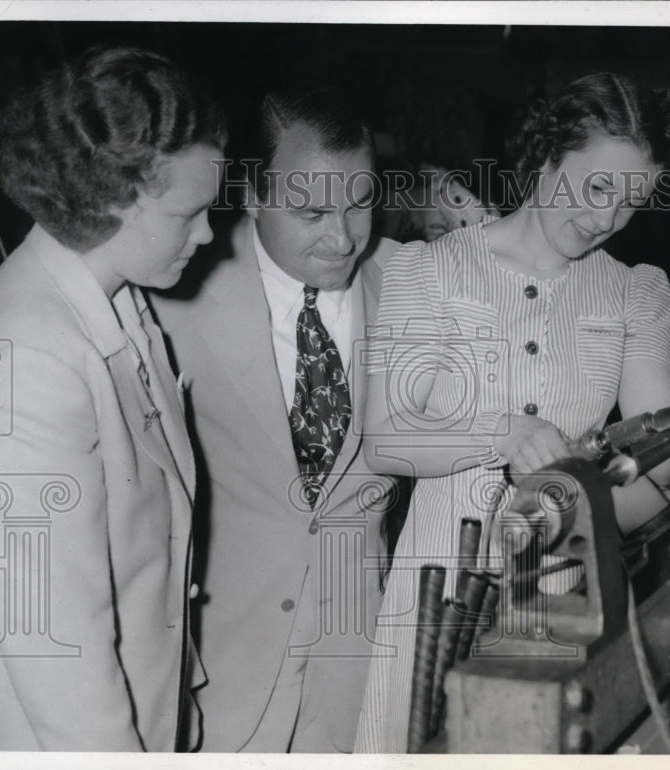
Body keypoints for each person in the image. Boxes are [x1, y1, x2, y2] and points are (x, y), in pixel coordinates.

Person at [355, 71, 670, 752]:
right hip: (431, 603)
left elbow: (657, 477)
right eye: (597, 188)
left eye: (631, 201)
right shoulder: (425, 270)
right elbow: (386, 440)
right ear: (545, 155)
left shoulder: (638, 294)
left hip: (560, 605)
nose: (607, 219)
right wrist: (503, 431)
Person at [0, 47, 226, 750]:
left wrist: (177, 712)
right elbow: (52, 637)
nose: (208, 234)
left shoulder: (121, 303)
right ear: (115, 198)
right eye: (189, 213)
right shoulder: (32, 351)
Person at [148, 85, 400, 752]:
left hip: (361, 681)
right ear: (254, 193)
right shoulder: (170, 294)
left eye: (362, 202)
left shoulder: (416, 286)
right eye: (312, 210)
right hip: (212, 684)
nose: (344, 237)